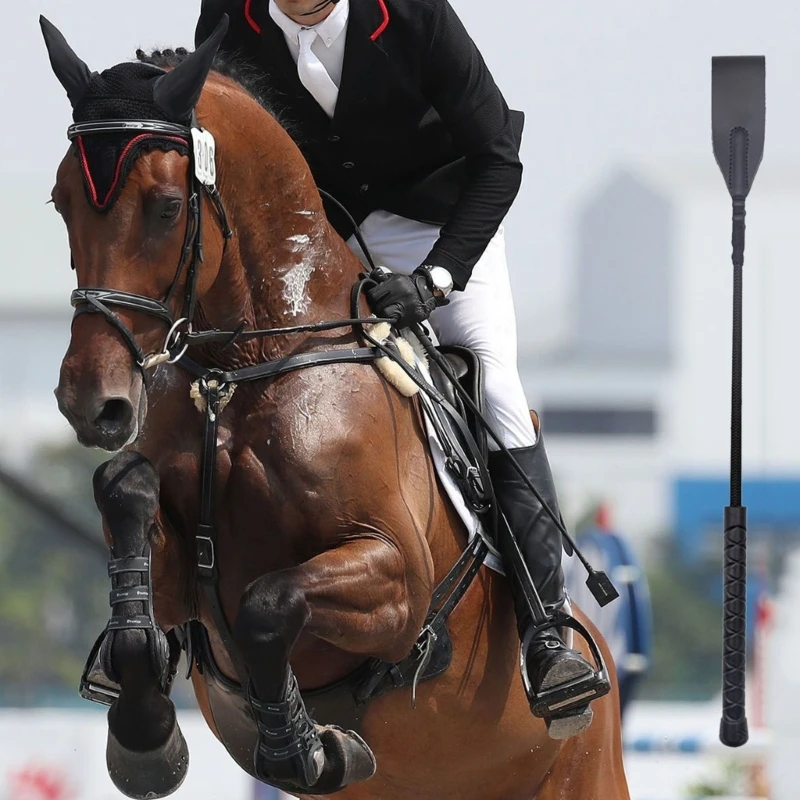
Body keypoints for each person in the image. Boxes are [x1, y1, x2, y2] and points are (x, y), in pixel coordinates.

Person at [195, 0, 609, 739]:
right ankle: (162, 621)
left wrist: (438, 278)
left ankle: (548, 632)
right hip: (313, 240)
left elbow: (497, 160)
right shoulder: (228, 14)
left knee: (494, 383)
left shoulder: (413, 14)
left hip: (439, 232)